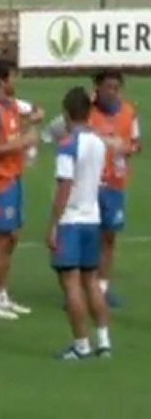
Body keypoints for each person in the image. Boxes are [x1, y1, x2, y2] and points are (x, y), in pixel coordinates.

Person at [46, 86, 112, 360]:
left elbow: (65, 186)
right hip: (92, 218)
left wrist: (53, 224)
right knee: (91, 281)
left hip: (71, 221)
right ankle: (104, 341)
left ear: (66, 114)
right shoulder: (98, 143)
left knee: (71, 284)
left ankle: (81, 344)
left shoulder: (68, 146)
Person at [0, 57, 40, 320]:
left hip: (14, 179)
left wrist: (33, 119)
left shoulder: (11, 105)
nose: (17, 80)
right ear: (2, 80)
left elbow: (35, 110)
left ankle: (3, 293)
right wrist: (23, 143)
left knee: (12, 237)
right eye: (13, 76)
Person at [88, 70, 141, 308]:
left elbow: (136, 144)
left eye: (116, 88)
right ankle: (82, 288)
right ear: (97, 89)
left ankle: (102, 287)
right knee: (88, 237)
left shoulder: (129, 112)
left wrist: (126, 148)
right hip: (89, 184)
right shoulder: (86, 113)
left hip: (115, 184)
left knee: (109, 237)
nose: (112, 92)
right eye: (108, 87)